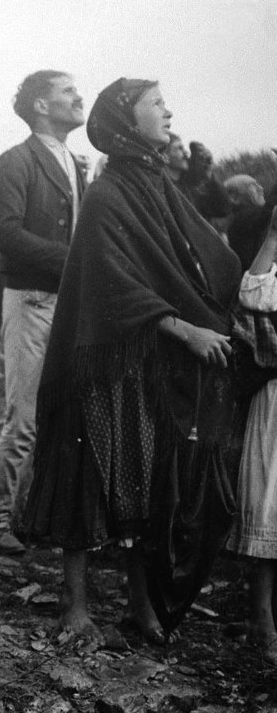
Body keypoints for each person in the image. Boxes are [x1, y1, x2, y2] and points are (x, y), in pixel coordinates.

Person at [18, 79, 241, 643]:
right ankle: (75, 605)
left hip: (146, 362)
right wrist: (184, 326)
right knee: (88, 476)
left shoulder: (156, 183)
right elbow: (110, 281)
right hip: (101, 361)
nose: (169, 111)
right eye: (157, 105)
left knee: (148, 482)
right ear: (125, 118)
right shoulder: (108, 193)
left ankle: (141, 606)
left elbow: (197, 255)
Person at [0, 71, 88, 556]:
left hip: (68, 303)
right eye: (67, 91)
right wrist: (76, 261)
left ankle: (35, 517)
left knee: (62, 417)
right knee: (24, 418)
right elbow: (6, 234)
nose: (78, 97)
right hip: (32, 300)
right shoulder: (15, 161)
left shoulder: (73, 163)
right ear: (41, 106)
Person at [227, 206, 277, 665]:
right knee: (269, 502)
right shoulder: (270, 261)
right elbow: (253, 294)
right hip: (276, 395)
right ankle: (260, 619)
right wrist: (274, 236)